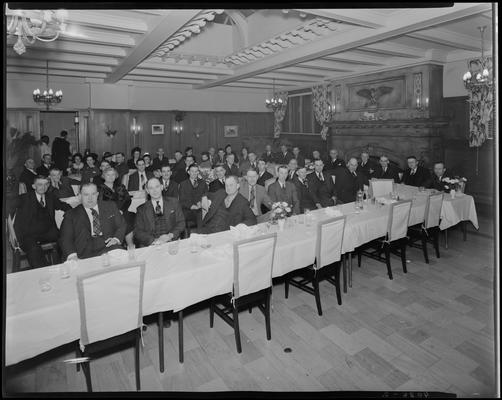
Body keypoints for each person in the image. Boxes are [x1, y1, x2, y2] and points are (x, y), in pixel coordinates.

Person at [14, 175, 71, 268]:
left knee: (65, 240)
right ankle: (44, 273)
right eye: (40, 184)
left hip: (48, 232)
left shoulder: (50, 197)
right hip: (29, 234)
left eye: (46, 184)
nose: (43, 187)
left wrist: (72, 213)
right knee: (34, 250)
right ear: (33, 186)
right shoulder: (24, 198)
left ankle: (63, 267)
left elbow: (63, 205)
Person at [59, 182, 126, 261]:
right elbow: (66, 238)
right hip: (83, 251)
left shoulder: (110, 206)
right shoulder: (71, 215)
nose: (90, 198)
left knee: (122, 259)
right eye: (86, 195)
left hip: (108, 246)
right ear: (80, 196)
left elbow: (121, 225)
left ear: (97, 194)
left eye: (93, 194)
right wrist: (72, 255)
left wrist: (116, 239)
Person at [133, 178, 185, 247]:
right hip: (152, 244)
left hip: (171, 241)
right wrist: (154, 241)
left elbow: (181, 223)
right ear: (147, 191)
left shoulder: (174, 202)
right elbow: (137, 231)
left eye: (157, 187)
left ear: (161, 187)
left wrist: (170, 236)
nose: (155, 191)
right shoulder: (141, 209)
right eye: (151, 188)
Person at [99, 167, 135, 247]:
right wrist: (116, 213)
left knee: (130, 218)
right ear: (104, 176)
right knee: (124, 222)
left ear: (116, 176)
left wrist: (122, 210)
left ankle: (129, 245)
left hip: (123, 212)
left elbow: (128, 200)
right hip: (109, 215)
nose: (111, 176)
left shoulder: (120, 187)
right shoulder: (100, 189)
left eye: (113, 174)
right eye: (108, 175)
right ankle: (126, 244)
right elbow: (101, 206)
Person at [178, 164, 207, 229]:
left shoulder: (203, 183)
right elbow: (182, 201)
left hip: (201, 209)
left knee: (202, 214)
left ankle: (201, 235)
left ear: (198, 172)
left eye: (196, 171)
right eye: (192, 171)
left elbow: (206, 195)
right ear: (188, 172)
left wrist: (202, 202)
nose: (194, 173)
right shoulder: (183, 184)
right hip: (188, 210)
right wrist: (191, 206)